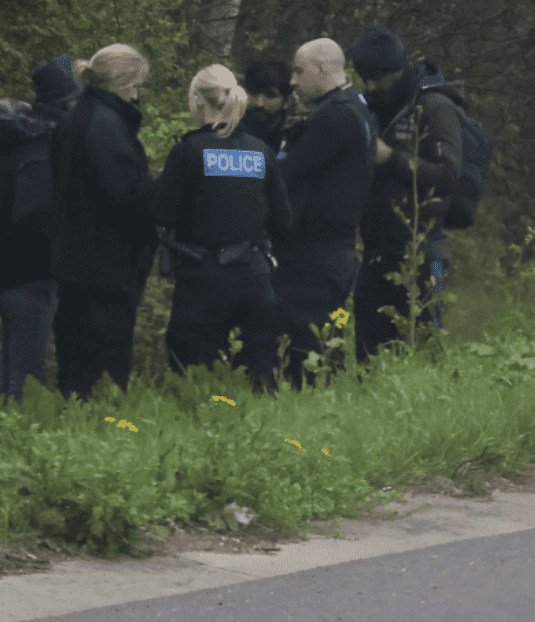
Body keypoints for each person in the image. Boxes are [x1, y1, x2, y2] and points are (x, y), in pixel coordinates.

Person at [153, 65, 292, 394]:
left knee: (196, 386)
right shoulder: (262, 152)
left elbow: (160, 211)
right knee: (257, 384)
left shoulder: (189, 152)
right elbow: (284, 222)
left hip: (203, 283)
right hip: (256, 281)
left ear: (196, 101)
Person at [48, 44, 158, 401]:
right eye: (136, 84)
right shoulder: (108, 128)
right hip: (107, 267)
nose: (138, 94)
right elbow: (125, 197)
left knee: (75, 369)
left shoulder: (77, 119)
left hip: (75, 262)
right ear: (123, 83)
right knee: (104, 371)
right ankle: (103, 432)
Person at [273, 38, 379, 390]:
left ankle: (306, 412)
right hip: (339, 254)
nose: (292, 81)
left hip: (314, 256)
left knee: (306, 342)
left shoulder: (334, 117)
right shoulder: (359, 110)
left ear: (321, 69)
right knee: (331, 333)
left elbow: (286, 177)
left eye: (299, 71)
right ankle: (328, 406)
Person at [350, 26, 461, 361]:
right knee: (367, 347)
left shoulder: (433, 106)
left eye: (377, 78)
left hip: (424, 252)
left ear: (397, 71)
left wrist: (392, 158)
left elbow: (447, 175)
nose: (370, 86)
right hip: (374, 251)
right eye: (363, 78)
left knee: (426, 343)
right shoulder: (369, 106)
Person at [0, 56, 80, 403]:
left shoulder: (21, 139)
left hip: (14, 272)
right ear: (68, 99)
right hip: (33, 274)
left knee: (14, 375)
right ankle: (16, 444)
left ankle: (3, 437)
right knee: (25, 382)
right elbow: (34, 215)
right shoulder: (42, 147)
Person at [239, 60, 294, 154]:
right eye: (253, 92)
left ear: (286, 102)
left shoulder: (295, 140)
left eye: (270, 95)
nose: (259, 103)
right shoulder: (223, 132)